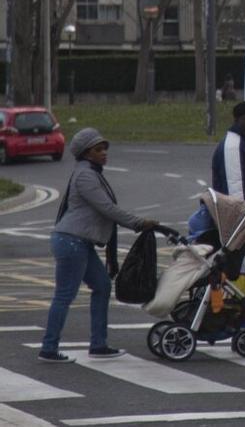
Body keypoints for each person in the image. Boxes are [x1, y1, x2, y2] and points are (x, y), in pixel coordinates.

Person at [39, 128, 157, 363]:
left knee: (102, 286)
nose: (104, 153)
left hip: (80, 243)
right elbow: (107, 209)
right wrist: (139, 223)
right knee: (64, 296)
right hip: (72, 242)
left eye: (104, 149)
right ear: (86, 153)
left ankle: (99, 344)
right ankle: (48, 349)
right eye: (98, 149)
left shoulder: (91, 173)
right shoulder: (85, 176)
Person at [190, 102, 245, 267]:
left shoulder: (243, 143)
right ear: (237, 119)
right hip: (244, 225)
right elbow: (235, 191)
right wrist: (241, 232)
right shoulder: (233, 147)